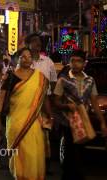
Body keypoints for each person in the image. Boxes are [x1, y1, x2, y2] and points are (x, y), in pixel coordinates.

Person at [0, 48, 50, 180]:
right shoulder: (10, 77)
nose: (26, 59)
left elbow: (44, 98)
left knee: (34, 152)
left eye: (29, 56)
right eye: (23, 57)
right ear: (17, 59)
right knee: (20, 154)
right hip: (15, 121)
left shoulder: (40, 77)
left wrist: (50, 115)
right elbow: (1, 97)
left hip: (34, 121)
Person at [53, 50, 107, 180]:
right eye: (72, 61)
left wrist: (102, 122)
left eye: (78, 61)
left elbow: (94, 102)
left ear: (84, 63)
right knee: (69, 156)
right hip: (68, 123)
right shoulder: (63, 80)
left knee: (80, 155)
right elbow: (56, 102)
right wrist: (67, 106)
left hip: (83, 122)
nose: (75, 64)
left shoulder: (90, 81)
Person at [25, 33, 57, 173]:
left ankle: (45, 165)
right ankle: (29, 164)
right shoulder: (25, 62)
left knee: (45, 135)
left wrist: (53, 103)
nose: (37, 44)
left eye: (39, 42)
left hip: (45, 102)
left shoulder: (48, 61)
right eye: (34, 41)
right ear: (28, 44)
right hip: (27, 104)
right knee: (30, 135)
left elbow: (54, 82)